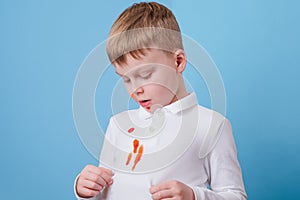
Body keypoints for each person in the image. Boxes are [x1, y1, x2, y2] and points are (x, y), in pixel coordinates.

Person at [74, 2, 247, 199]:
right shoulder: (118, 124)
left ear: (178, 61)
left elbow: (235, 196)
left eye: (145, 75)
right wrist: (85, 188)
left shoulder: (211, 126)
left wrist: (194, 196)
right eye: (126, 79)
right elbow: (104, 191)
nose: (135, 90)